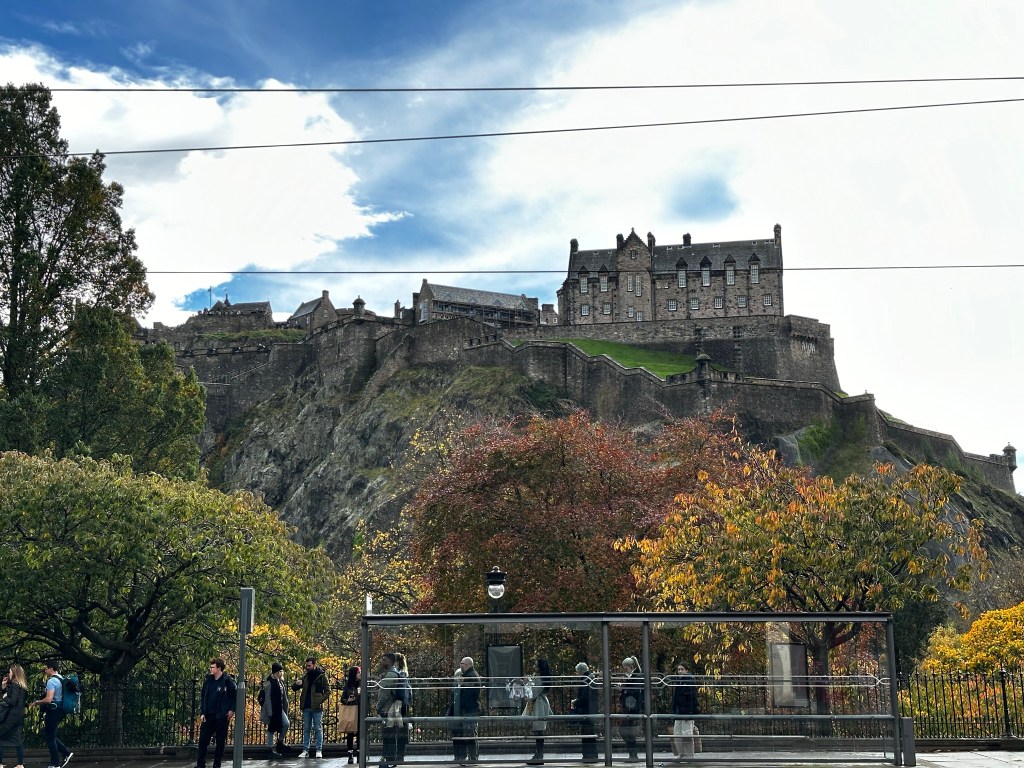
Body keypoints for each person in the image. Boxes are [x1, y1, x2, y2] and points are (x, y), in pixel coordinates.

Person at [195, 658, 236, 768]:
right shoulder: (208, 680)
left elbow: (234, 696)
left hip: (221, 715)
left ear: (219, 668)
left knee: (220, 741)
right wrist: (203, 712)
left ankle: (217, 764)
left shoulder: (227, 681)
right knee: (203, 740)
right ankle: (200, 764)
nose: (211, 669)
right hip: (209, 715)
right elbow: (203, 696)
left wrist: (231, 709)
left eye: (213, 667)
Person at [31, 660, 72, 768]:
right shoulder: (62, 678)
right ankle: (66, 753)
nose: (44, 671)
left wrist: (36, 702)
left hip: (53, 710)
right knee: (50, 735)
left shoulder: (51, 681)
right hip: (61, 710)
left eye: (46, 668)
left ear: (51, 669)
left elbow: (49, 699)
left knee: (49, 737)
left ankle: (55, 763)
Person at [292, 656, 330, 759]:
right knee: (307, 729)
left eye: (309, 665)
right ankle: (305, 750)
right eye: (306, 666)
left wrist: (319, 700)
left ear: (314, 664)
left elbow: (327, 691)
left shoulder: (322, 676)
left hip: (317, 707)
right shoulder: (306, 677)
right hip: (306, 706)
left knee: (318, 728)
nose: (307, 667)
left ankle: (319, 750)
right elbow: (294, 687)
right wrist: (296, 684)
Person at [375, 653, 402, 768]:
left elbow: (384, 693)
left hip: (388, 708)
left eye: (384, 659)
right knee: (390, 735)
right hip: (392, 708)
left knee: (388, 735)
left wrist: (378, 707)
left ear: (389, 661)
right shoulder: (394, 673)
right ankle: (390, 759)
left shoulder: (391, 674)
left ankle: (389, 759)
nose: (382, 661)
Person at [525, 658, 553, 765]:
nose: (534, 667)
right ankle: (538, 754)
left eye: (536, 666)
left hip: (539, 706)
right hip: (537, 705)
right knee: (537, 731)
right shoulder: (537, 677)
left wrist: (528, 682)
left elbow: (533, 693)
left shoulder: (540, 679)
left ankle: (539, 755)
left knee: (539, 731)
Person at [454, 657, 481, 764]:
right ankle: (472, 757)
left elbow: (468, 694)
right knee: (470, 733)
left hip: (470, 709)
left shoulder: (470, 677)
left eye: (461, 663)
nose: (460, 665)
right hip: (471, 709)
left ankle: (473, 757)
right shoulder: (471, 675)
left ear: (466, 665)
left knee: (470, 734)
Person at [0, 664, 28, 768]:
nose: (9, 673)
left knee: (1, 738)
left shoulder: (15, 684)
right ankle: (20, 764)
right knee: (18, 741)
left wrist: (4, 697)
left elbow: (12, 701)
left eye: (10, 672)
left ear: (15, 673)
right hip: (18, 717)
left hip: (11, 717)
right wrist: (4, 687)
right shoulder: (21, 685)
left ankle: (0, 764)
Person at [571, 662, 599, 763]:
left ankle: (589, 755)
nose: (577, 674)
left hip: (586, 711)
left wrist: (575, 702)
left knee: (586, 733)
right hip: (590, 710)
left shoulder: (586, 679)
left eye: (577, 672)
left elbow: (585, 697)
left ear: (580, 671)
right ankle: (591, 754)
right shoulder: (590, 678)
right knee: (589, 733)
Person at [260, 662, 289, 759]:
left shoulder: (280, 681)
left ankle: (280, 742)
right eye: (280, 671)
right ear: (276, 672)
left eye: (281, 671)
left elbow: (283, 696)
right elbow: (268, 698)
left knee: (286, 724)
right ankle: (270, 748)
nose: (281, 673)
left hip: (279, 708)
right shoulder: (270, 683)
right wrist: (270, 712)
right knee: (271, 728)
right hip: (273, 709)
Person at [671, 663, 699, 760]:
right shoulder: (680, 681)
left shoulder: (689, 680)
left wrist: (690, 712)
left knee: (687, 734)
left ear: (686, 670)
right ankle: (681, 754)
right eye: (679, 669)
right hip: (679, 711)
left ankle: (689, 755)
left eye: (682, 669)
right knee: (677, 733)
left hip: (686, 711)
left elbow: (691, 697)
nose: (680, 671)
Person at [617, 656, 643, 761]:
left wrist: (624, 688)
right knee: (625, 729)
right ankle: (632, 754)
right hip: (629, 707)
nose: (625, 671)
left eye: (626, 668)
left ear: (631, 667)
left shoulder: (637, 676)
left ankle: (633, 754)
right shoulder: (634, 676)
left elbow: (635, 691)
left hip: (631, 707)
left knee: (625, 729)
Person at [339, 666, 362, 764]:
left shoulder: (362, 684)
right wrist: (347, 700)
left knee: (360, 733)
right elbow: (342, 699)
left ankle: (360, 754)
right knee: (350, 732)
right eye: (358, 672)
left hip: (360, 710)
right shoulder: (348, 686)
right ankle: (350, 754)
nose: (360, 674)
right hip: (351, 709)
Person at [393, 653, 411, 763]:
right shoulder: (404, 674)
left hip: (398, 704)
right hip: (404, 704)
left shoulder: (398, 674)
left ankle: (398, 754)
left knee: (397, 729)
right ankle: (400, 754)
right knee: (401, 729)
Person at [446, 668, 464, 763]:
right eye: (457, 676)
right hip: (455, 715)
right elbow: (452, 703)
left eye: (460, 676)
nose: (458, 678)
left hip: (461, 715)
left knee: (461, 736)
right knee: (455, 737)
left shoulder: (464, 688)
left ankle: (462, 755)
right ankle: (457, 755)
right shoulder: (455, 688)